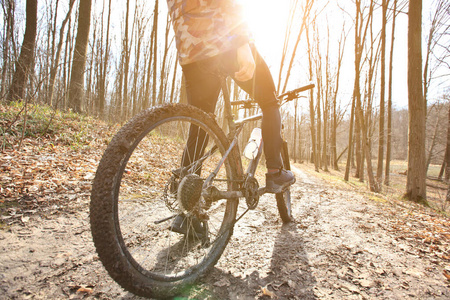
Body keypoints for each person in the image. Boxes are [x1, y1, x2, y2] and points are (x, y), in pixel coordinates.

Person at [166, 0, 295, 234]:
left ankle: (185, 214)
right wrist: (242, 42)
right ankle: (275, 173)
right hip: (223, 39)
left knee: (201, 123)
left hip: (189, 48)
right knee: (269, 101)